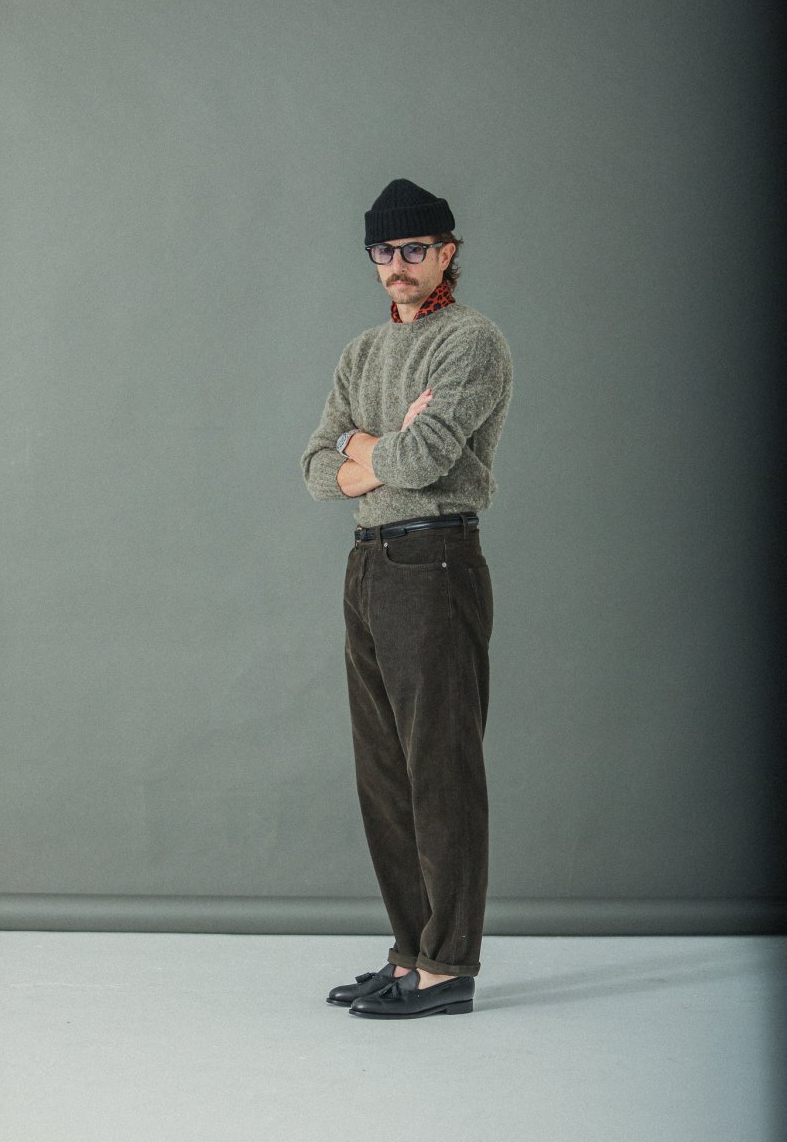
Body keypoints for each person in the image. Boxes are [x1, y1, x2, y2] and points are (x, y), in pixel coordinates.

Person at [301, 178, 513, 1019]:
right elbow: (316, 469)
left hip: (434, 561)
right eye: (383, 251)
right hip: (368, 565)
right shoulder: (362, 352)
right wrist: (374, 443)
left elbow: (425, 462)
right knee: (385, 774)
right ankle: (409, 953)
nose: (398, 264)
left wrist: (362, 447)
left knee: (440, 769)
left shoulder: (471, 342)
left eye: (414, 249)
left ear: (447, 252)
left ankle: (448, 965)